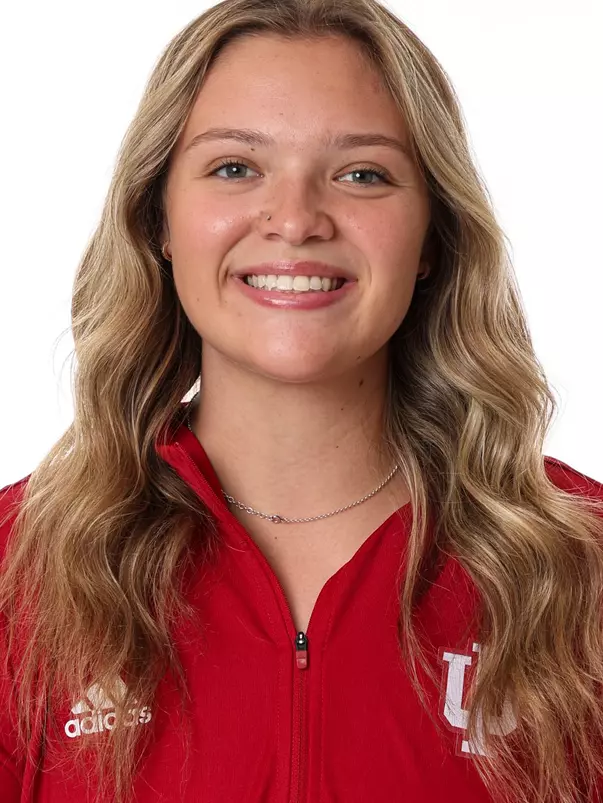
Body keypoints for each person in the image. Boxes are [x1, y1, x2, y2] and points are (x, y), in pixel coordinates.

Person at [1, 0, 602, 801]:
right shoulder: (19, 570)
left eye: (362, 174)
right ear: (159, 221)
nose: (294, 220)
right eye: (234, 168)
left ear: (432, 235)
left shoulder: (580, 566)